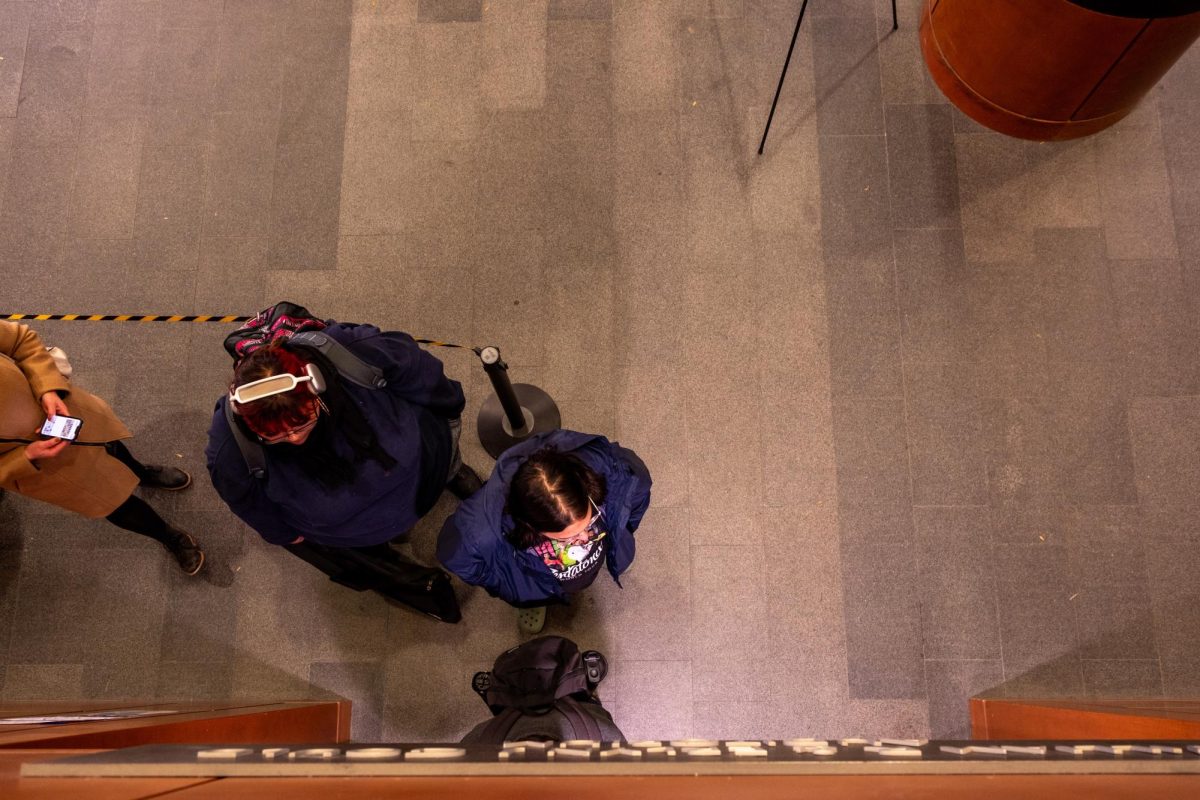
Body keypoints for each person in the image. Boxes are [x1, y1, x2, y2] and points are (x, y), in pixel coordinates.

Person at [205, 318, 482, 551]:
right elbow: (246, 501)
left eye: (301, 423)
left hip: (429, 467)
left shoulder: (353, 352)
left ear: (316, 385)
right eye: (272, 435)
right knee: (395, 528)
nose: (293, 438)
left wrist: (450, 412)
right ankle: (397, 527)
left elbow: (421, 372)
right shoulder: (230, 447)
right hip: (364, 526)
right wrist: (283, 535)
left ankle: (452, 473)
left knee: (448, 467)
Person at [0, 321, 204, 574]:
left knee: (109, 445)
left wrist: (48, 389)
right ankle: (168, 537)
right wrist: (26, 457)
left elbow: (20, 340)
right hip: (41, 468)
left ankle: (141, 473)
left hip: (64, 415)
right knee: (112, 503)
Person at [436, 429, 651, 634]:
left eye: (588, 521)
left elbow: (637, 490)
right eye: (569, 537)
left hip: (560, 567)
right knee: (534, 595)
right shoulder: (478, 532)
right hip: (538, 582)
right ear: (533, 528)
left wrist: (621, 531)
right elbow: (456, 557)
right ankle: (539, 600)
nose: (587, 537)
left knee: (619, 551)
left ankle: (608, 557)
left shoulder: (609, 466)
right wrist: (508, 584)